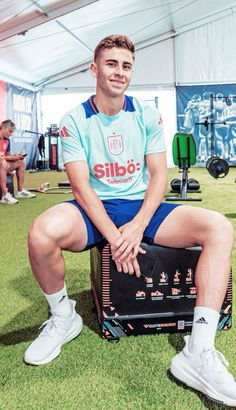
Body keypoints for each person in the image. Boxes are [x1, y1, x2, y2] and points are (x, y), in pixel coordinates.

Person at [24, 35, 236, 406]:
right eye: (111, 64)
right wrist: (114, 237)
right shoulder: (73, 120)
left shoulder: (147, 114)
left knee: (219, 226)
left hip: (141, 204)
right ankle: (63, 317)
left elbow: (157, 176)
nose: (119, 72)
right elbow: (80, 187)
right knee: (41, 232)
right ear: (94, 69)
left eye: (125, 66)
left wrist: (137, 226)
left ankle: (198, 350)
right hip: (94, 209)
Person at [0, 119, 36, 204]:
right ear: (3, 128)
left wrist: (15, 156)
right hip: (1, 163)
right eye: (9, 131)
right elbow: (3, 158)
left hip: (2, 165)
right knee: (2, 161)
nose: (11, 134)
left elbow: (7, 155)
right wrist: (10, 158)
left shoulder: (7, 140)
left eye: (12, 132)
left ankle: (20, 191)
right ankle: (4, 196)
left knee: (21, 161)